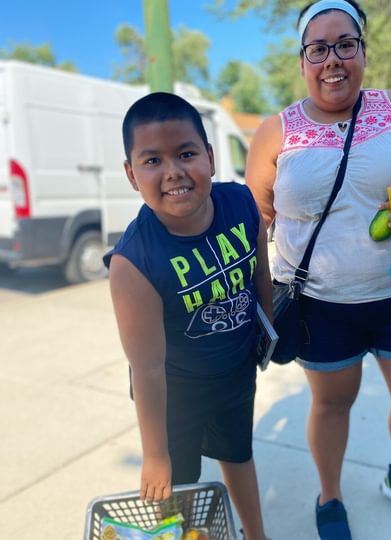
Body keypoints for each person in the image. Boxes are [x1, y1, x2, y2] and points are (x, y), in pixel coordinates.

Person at [246, 0, 391, 538]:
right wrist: (257, 300)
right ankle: (330, 496)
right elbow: (255, 224)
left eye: (345, 44)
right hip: (320, 306)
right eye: (318, 49)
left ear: (363, 52)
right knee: (332, 404)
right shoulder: (275, 132)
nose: (333, 60)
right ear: (302, 60)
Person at [104, 92, 272, 540]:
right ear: (131, 173)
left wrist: (268, 334)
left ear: (211, 158)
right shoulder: (134, 262)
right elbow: (148, 367)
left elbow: (260, 274)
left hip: (235, 372)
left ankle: (256, 533)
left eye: (186, 153)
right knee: (175, 487)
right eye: (152, 160)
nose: (174, 171)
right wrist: (154, 452)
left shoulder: (241, 203)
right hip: (175, 394)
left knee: (238, 453)